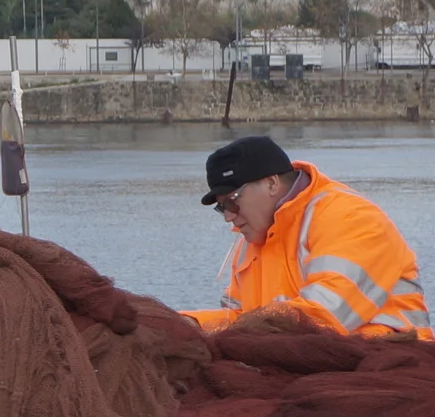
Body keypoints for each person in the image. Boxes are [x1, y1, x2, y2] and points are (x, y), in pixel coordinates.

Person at [183, 135, 429, 337]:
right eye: (221, 207)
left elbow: (324, 317)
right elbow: (234, 319)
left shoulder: (349, 217)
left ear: (271, 184)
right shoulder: (251, 240)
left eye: (232, 202)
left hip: (389, 365)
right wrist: (181, 325)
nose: (228, 216)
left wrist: (237, 333)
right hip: (312, 365)